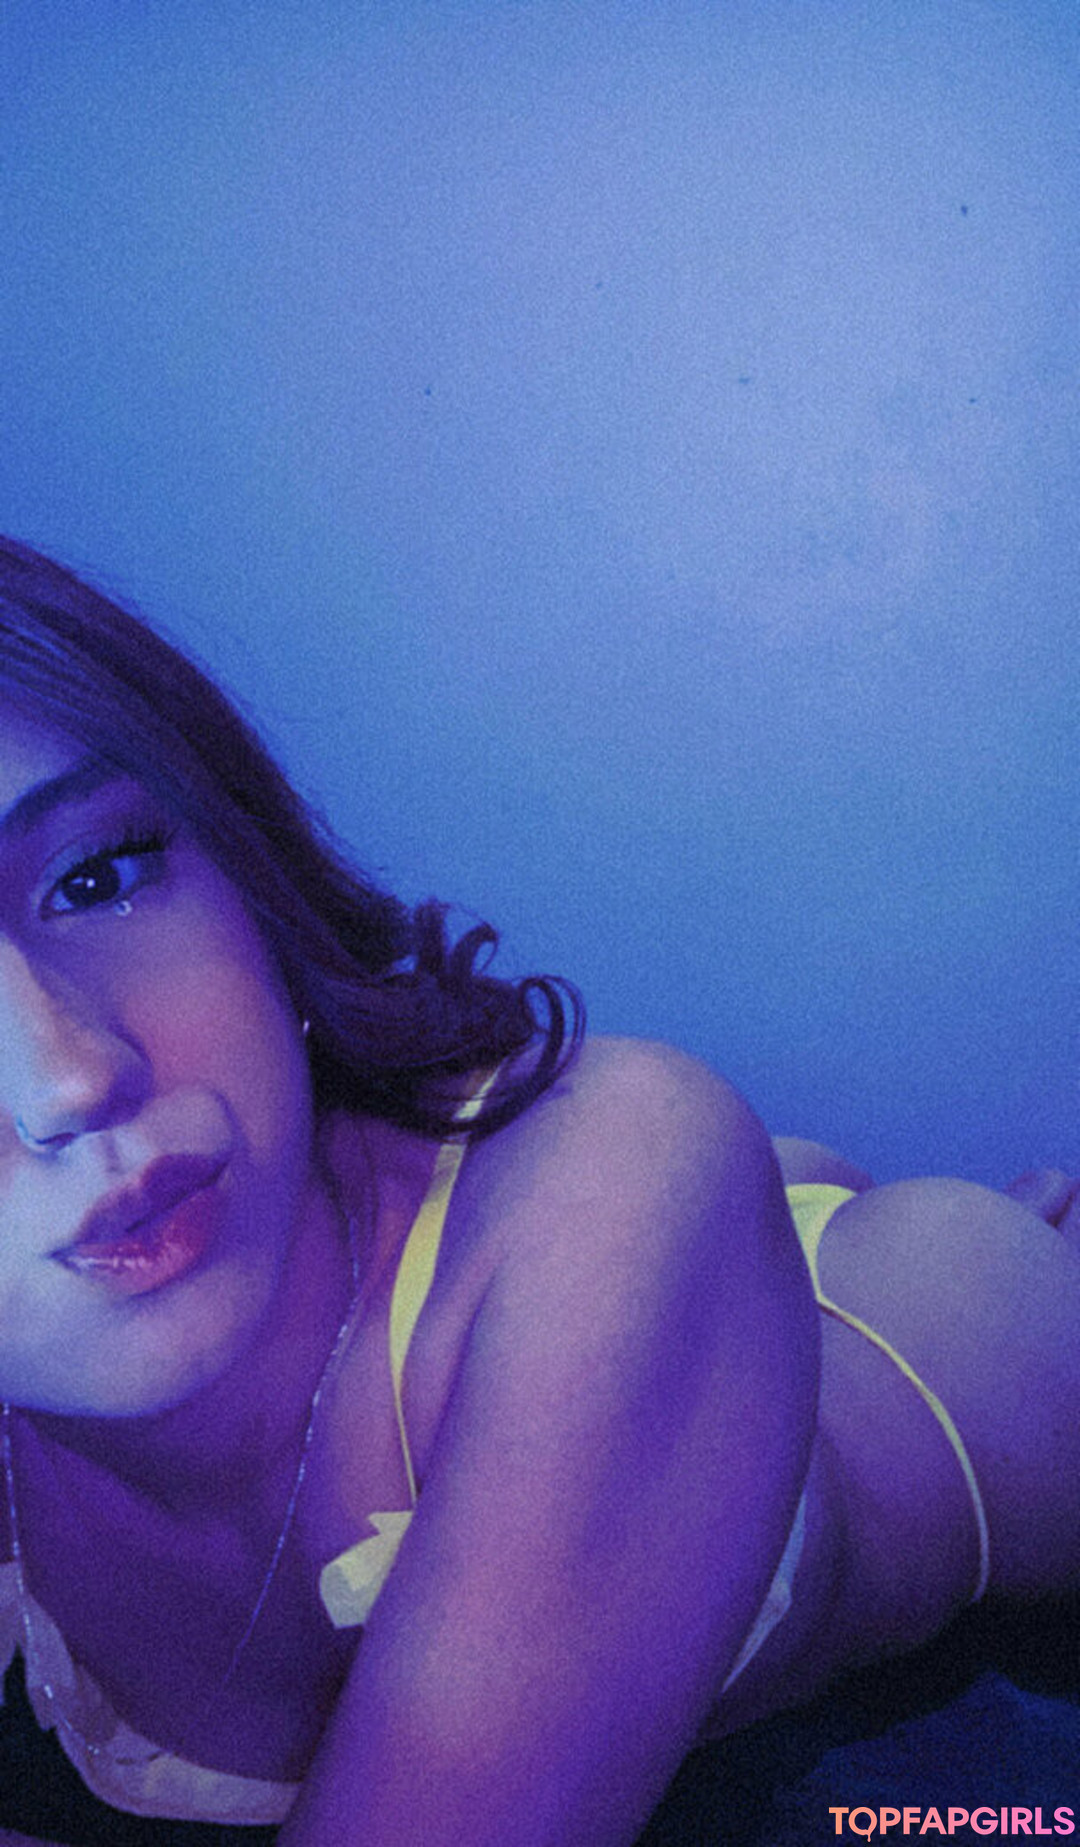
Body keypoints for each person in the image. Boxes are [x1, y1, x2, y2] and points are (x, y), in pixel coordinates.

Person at [0, 535, 1077, 1847]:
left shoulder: (624, 1170)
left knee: (679, 1203)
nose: (69, 1079)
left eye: (97, 876)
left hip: (944, 1349)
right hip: (571, 1280)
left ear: (242, 860)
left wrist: (647, 1247)